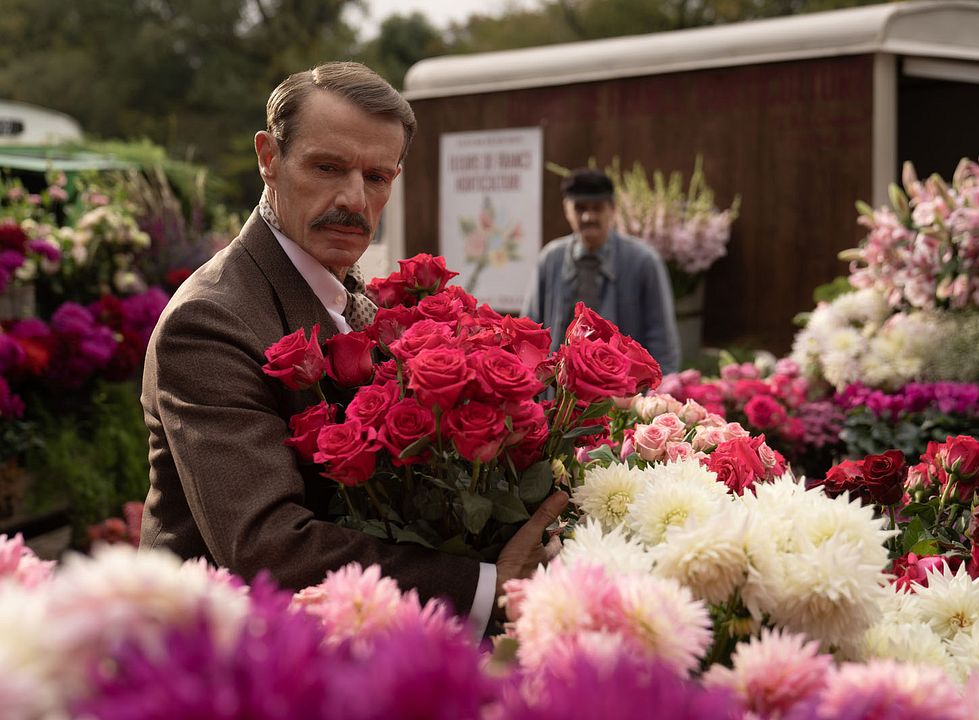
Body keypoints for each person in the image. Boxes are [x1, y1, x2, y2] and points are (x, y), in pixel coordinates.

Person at [139, 61, 566, 633]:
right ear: (269, 159)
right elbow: (268, 547)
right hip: (225, 662)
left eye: (377, 177)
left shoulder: (350, 291)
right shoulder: (211, 319)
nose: (353, 199)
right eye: (327, 167)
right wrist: (487, 584)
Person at [522, 167, 681, 375]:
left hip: (623, 397)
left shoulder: (644, 262)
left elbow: (663, 343)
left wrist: (653, 399)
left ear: (613, 209)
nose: (589, 216)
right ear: (567, 210)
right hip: (560, 397)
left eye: (597, 208)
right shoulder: (550, 259)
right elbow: (530, 332)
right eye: (580, 208)